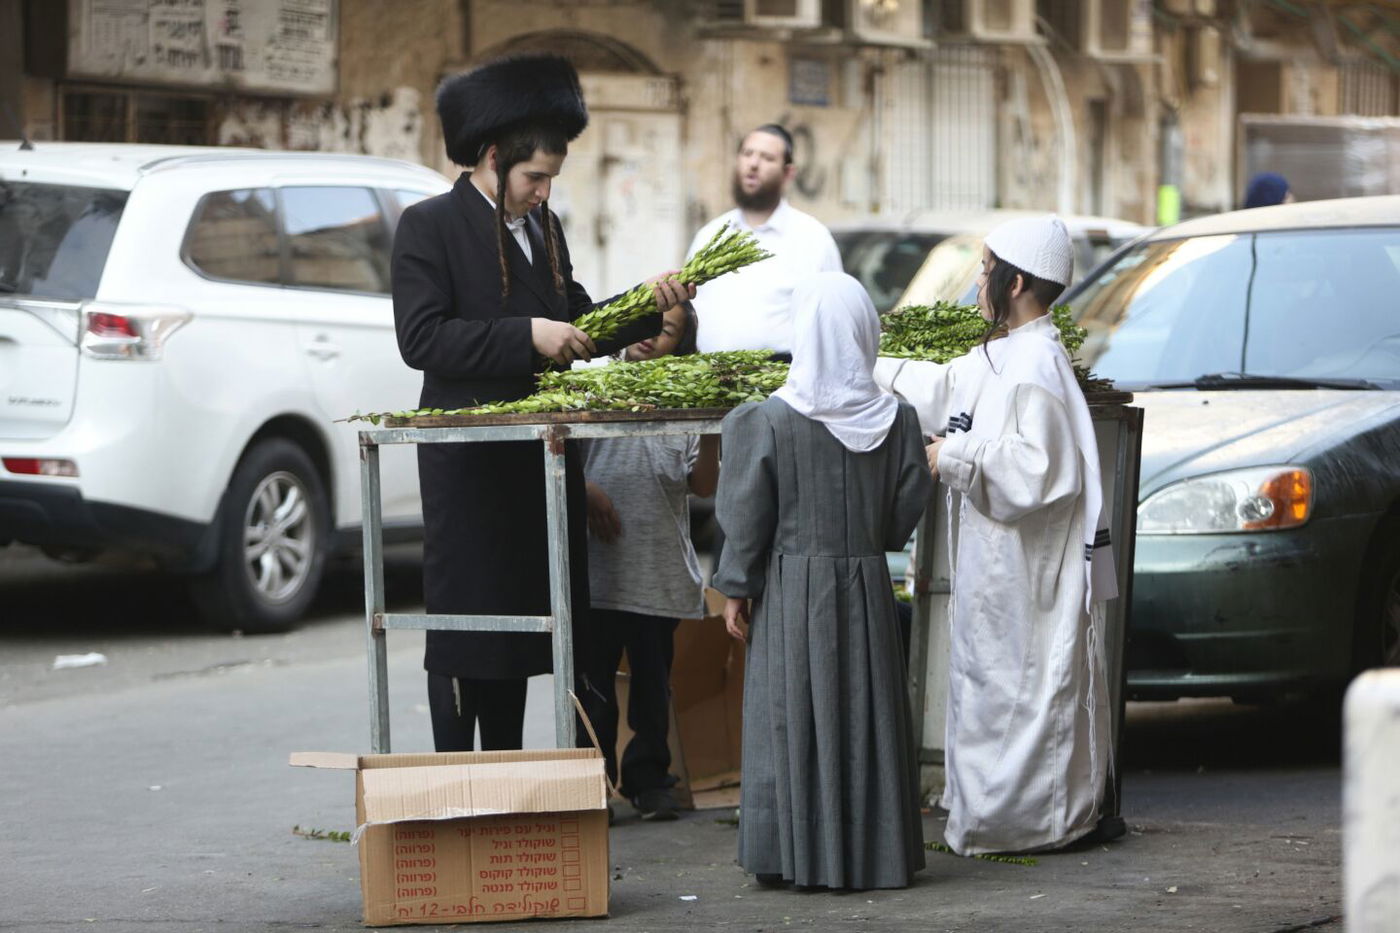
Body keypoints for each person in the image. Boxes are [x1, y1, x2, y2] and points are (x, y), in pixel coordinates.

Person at [391, 53, 693, 753]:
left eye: (551, 178)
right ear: (492, 159)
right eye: (534, 177)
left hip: (543, 464)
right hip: (470, 469)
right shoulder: (428, 225)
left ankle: (507, 773)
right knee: (470, 630)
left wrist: (650, 305)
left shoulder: (545, 231)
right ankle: (455, 775)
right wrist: (526, 334)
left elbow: (583, 324)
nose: (543, 191)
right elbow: (422, 338)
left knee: (529, 635)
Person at [873, 215, 1117, 855]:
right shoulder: (1003, 353)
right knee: (984, 687)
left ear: (1014, 282)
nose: (979, 280)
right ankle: (981, 816)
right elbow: (947, 387)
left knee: (1021, 688)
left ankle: (1033, 823)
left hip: (1024, 573)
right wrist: (864, 363)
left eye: (985, 269)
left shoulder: (1038, 364)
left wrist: (950, 457)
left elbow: (1039, 470)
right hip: (991, 570)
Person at [712, 271, 931, 890]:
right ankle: (871, 853)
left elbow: (748, 518)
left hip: (790, 591)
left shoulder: (770, 420)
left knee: (791, 716)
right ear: (865, 333)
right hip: (864, 588)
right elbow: (900, 517)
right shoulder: (898, 420)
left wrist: (736, 586)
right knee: (864, 717)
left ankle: (793, 853)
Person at [577, 305, 720, 821]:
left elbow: (703, 485)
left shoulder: (683, 398)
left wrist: (711, 423)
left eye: (666, 333)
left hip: (657, 572)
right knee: (592, 687)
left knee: (652, 687)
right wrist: (585, 490)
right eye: (646, 326)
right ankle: (591, 782)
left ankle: (649, 778)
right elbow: (561, 457)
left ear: (680, 346)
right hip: (596, 573)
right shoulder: (593, 383)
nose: (650, 338)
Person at [686, 124, 843, 357]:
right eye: (747, 154)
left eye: (767, 158)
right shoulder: (710, 234)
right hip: (705, 379)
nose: (753, 164)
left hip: (780, 381)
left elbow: (834, 320)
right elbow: (687, 308)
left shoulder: (813, 238)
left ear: (788, 173)